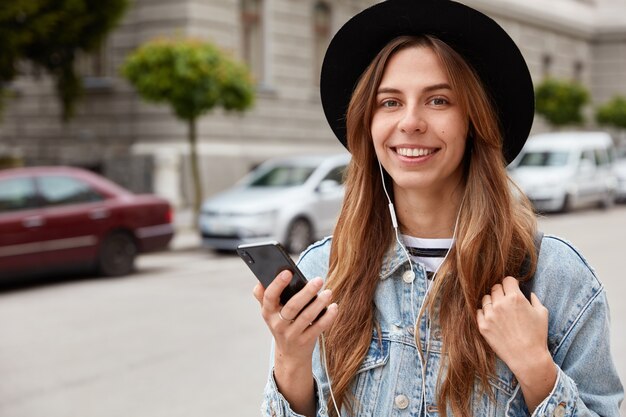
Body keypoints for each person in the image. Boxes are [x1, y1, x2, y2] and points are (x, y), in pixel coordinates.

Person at [252, 0, 624, 416]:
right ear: (368, 123)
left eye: (438, 101)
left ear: (473, 121)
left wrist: (537, 370)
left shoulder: (554, 277)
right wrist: (290, 355)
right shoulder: (325, 270)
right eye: (389, 102)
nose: (410, 122)